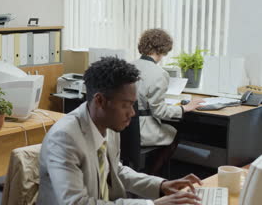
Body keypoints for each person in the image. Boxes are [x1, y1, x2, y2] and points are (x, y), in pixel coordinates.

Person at [37, 56, 202, 205]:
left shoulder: (108, 125)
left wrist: (161, 185)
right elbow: (75, 202)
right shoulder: (64, 138)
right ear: (100, 101)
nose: (132, 113)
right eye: (126, 105)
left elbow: (116, 170)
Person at [132, 29, 203, 175]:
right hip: (141, 129)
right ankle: (153, 175)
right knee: (174, 133)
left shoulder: (128, 66)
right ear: (162, 49)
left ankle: (141, 174)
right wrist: (184, 108)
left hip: (124, 128)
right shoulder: (159, 73)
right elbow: (160, 111)